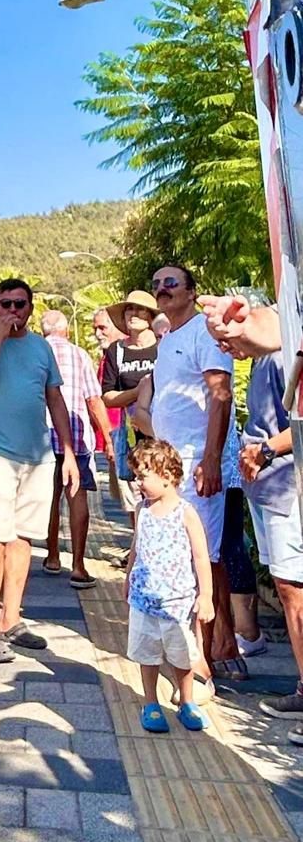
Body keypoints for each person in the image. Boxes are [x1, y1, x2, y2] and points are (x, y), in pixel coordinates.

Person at [198, 294, 303, 731]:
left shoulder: (283, 356)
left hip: (285, 489)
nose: (227, 347)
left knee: (294, 590)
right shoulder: (264, 363)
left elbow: (298, 423)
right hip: (268, 488)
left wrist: (264, 450)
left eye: (232, 335)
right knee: (287, 586)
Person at [0, 279, 79, 662]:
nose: (13, 310)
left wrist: (69, 452)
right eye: (6, 303)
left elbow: (55, 398)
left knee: (23, 538)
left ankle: (13, 618)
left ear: (31, 308)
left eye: (20, 304)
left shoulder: (41, 347)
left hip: (38, 455)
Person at [146, 263, 237, 679]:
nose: (162, 290)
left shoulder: (205, 332)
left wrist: (212, 458)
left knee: (207, 556)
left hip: (200, 464)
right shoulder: (169, 339)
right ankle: (197, 648)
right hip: (171, 466)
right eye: (157, 285)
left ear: (191, 291)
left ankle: (209, 653)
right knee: (186, 555)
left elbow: (221, 395)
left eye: (171, 283)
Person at [125, 438, 214, 732]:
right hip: (144, 600)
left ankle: (186, 700)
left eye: (142, 476)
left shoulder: (185, 512)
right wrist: (128, 578)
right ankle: (150, 702)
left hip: (177, 603)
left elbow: (201, 556)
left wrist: (207, 595)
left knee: (182, 655)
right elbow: (136, 547)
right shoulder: (142, 511)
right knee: (146, 653)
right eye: (137, 477)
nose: (138, 484)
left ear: (167, 475)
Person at [40, 309, 113, 589]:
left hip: (41, 437)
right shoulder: (79, 354)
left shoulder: (35, 352)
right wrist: (107, 437)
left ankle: (52, 556)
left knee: (49, 497)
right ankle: (79, 565)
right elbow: (94, 399)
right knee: (76, 496)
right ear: (66, 331)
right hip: (76, 437)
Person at [101, 290, 160, 520]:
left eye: (139, 309)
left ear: (151, 316)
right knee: (137, 495)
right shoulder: (117, 351)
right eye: (129, 309)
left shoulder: (163, 345)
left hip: (163, 433)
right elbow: (107, 396)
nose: (133, 314)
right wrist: (137, 392)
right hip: (133, 436)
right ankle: (139, 548)